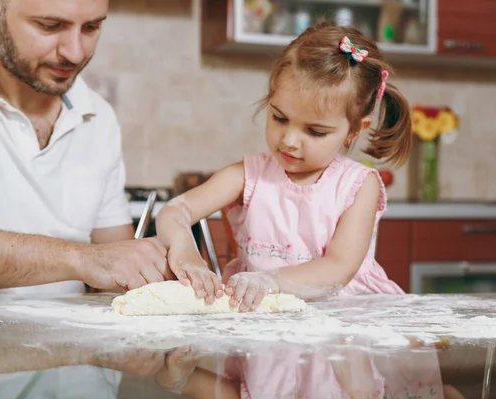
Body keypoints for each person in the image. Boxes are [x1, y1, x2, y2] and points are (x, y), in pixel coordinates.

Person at [0, 0, 170, 299]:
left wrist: (176, 270)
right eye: (49, 26)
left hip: (68, 345)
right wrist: (81, 258)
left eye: (91, 27)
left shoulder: (97, 115)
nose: (75, 52)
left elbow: (120, 272)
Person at [156, 20, 410, 309]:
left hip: (344, 319)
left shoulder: (359, 186)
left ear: (354, 130)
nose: (289, 140)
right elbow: (175, 211)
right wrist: (186, 251)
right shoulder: (247, 176)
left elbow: (339, 267)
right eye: (279, 118)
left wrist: (272, 281)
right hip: (265, 321)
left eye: (315, 131)